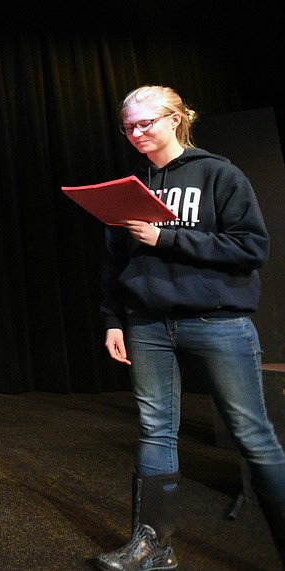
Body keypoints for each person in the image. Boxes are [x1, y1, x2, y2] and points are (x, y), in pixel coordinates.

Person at [96, 85, 285, 571]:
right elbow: (113, 263)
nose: (136, 133)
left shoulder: (217, 173)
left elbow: (251, 248)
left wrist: (167, 237)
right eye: (128, 127)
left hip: (216, 320)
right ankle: (152, 547)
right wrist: (114, 319)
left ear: (177, 119)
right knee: (156, 430)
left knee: (252, 434)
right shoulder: (129, 186)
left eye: (146, 123)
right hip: (148, 322)